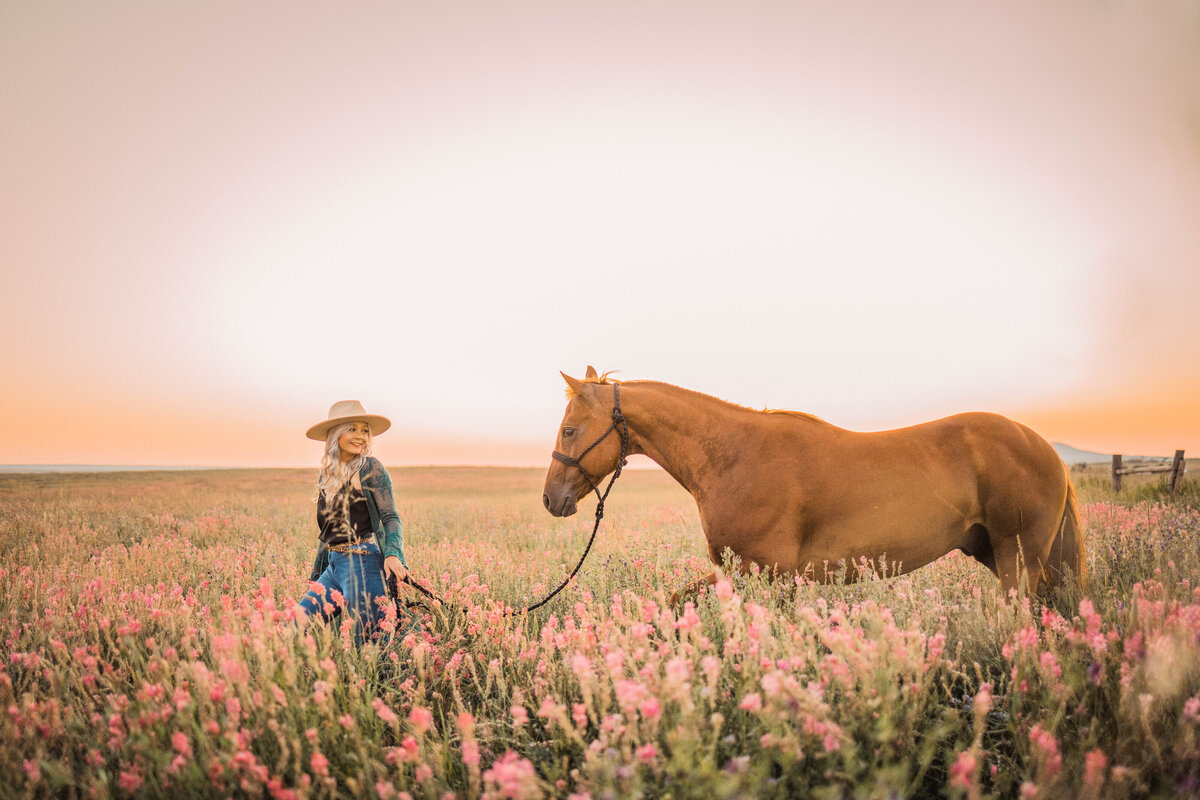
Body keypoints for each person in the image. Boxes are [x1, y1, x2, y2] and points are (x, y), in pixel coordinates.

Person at [296, 400, 409, 645]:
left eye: (365, 430)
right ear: (335, 434)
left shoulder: (371, 468)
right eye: (353, 429)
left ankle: (375, 683)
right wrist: (318, 573)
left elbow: (391, 516)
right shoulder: (328, 474)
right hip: (335, 567)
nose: (361, 436)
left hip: (363, 562)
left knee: (369, 646)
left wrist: (393, 554)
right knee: (294, 627)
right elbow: (329, 533)